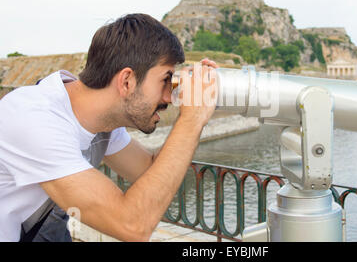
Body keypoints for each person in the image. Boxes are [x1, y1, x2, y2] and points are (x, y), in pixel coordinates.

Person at [0, 13, 218, 242]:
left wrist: (196, 106)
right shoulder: (36, 119)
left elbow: (151, 171)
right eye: (166, 79)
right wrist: (191, 120)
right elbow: (132, 225)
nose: (170, 96)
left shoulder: (99, 122)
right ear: (127, 81)